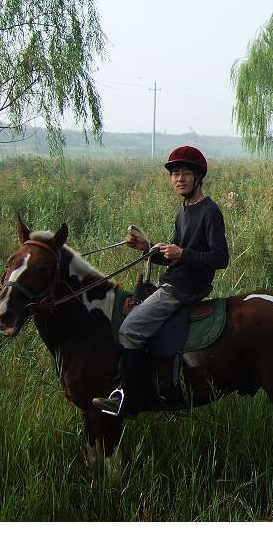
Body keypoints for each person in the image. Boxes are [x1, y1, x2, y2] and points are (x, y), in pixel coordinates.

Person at [92, 145, 229, 417]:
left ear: (198, 177)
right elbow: (174, 256)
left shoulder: (209, 211)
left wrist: (183, 253)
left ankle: (126, 399)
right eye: (175, 174)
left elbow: (220, 257)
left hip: (185, 288)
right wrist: (148, 247)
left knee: (130, 329)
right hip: (175, 280)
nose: (179, 179)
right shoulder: (184, 211)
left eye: (186, 173)